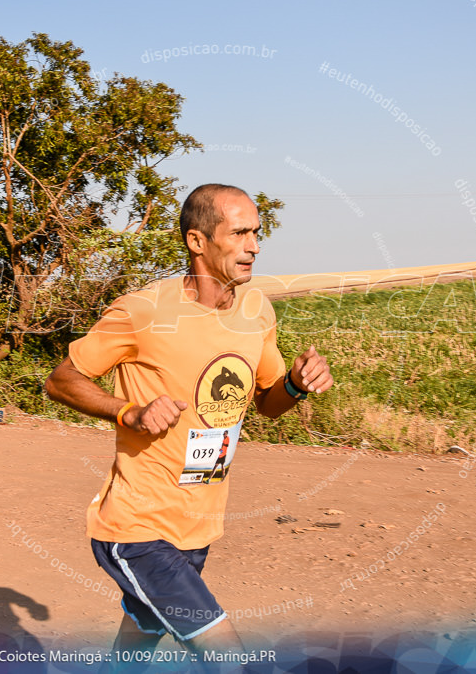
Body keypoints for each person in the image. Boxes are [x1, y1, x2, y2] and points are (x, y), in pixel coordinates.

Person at [43, 183, 333, 656]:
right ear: (197, 242)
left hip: (197, 524)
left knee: (136, 645)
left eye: (257, 233)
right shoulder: (144, 311)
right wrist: (129, 411)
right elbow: (61, 380)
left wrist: (297, 384)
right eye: (239, 233)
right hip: (138, 527)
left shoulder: (257, 311)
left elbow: (267, 402)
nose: (254, 246)